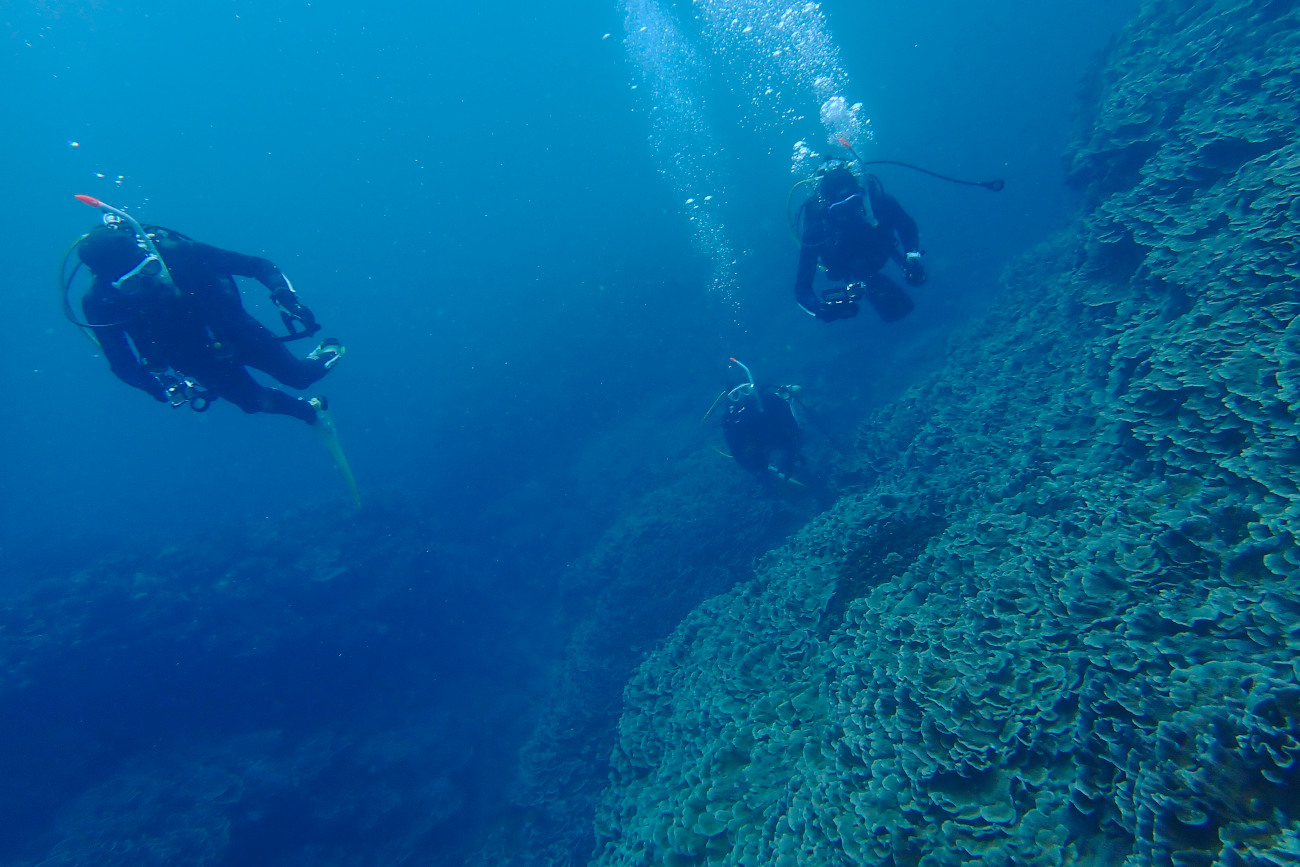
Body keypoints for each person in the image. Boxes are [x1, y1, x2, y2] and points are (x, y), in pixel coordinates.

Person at [74, 221, 344, 425]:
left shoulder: (176, 251)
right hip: (190, 357)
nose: (148, 281)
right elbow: (122, 364)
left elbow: (257, 265)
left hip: (233, 329)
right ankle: (310, 412)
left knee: (298, 377)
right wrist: (156, 387)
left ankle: (328, 353)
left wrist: (286, 298)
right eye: (130, 282)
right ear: (107, 282)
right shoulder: (100, 302)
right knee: (253, 402)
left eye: (150, 268)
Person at [793, 156, 927, 323]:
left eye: (853, 202)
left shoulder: (880, 202)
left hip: (880, 251)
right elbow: (803, 290)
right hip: (846, 267)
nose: (849, 212)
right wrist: (821, 309)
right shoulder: (816, 228)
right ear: (828, 207)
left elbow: (907, 226)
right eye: (841, 207)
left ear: (862, 195)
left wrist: (912, 256)